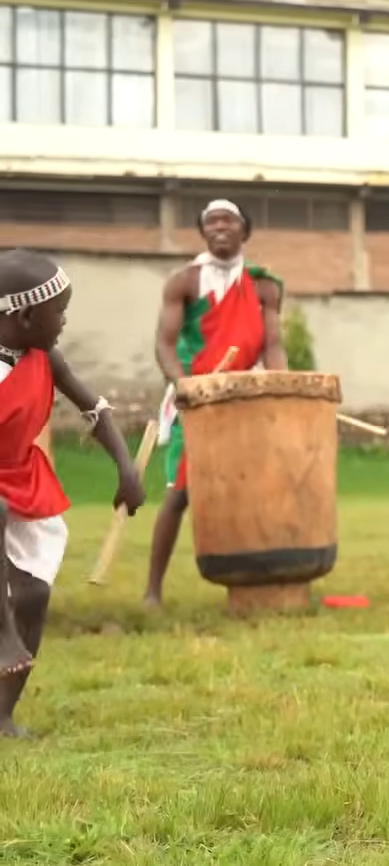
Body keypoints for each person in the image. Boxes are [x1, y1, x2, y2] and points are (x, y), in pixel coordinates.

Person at [2, 250, 146, 737]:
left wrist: (126, 469)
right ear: (24, 317)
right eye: (58, 312)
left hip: (22, 479)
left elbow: (96, 410)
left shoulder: (46, 358)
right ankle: (4, 636)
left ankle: (3, 714)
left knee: (34, 594)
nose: (64, 322)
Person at [144, 199, 287, 609]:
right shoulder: (184, 281)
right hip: (198, 399)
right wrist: (183, 384)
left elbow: (273, 345)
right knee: (180, 493)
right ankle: (153, 589)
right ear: (202, 232)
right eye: (211, 222)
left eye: (229, 221)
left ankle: (255, 583)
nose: (220, 227)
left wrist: (280, 389)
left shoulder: (265, 285)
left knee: (253, 489)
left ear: (246, 231)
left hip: (244, 399)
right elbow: (164, 344)